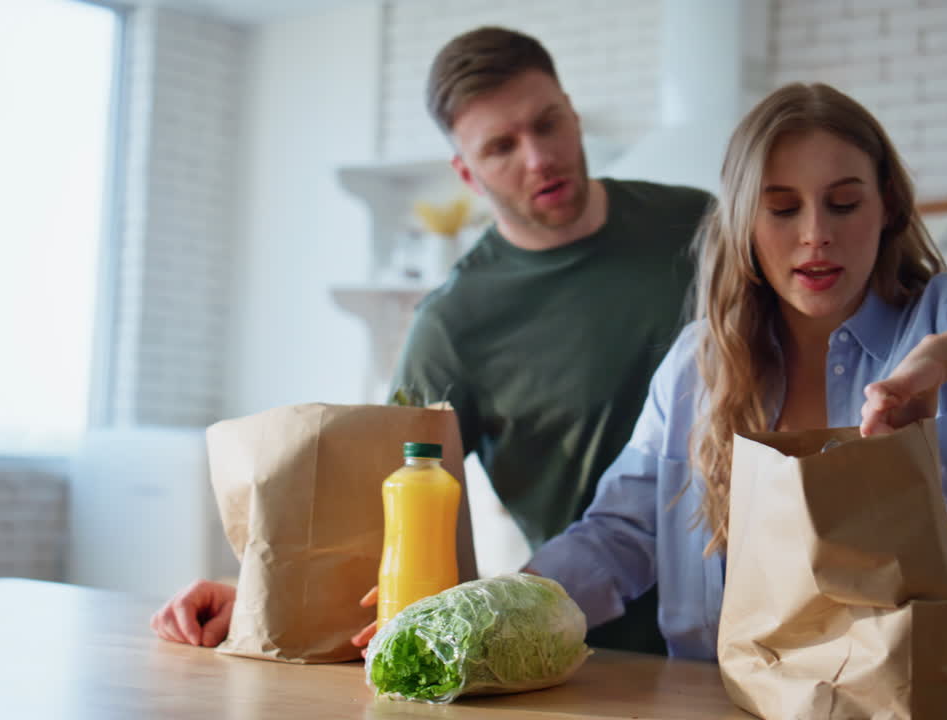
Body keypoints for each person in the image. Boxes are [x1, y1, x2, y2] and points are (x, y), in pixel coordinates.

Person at [512, 82, 947, 695]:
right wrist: (501, 603)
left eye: (844, 203)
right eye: (782, 208)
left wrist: (943, 356)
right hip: (733, 703)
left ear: (887, 210)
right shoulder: (695, 366)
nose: (816, 232)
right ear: (742, 223)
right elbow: (619, 537)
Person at [151, 27, 711, 654]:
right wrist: (257, 595)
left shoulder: (699, 225)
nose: (537, 157)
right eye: (501, 147)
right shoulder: (454, 326)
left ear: (572, 114)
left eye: (547, 123)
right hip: (587, 645)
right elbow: (385, 519)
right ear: (466, 173)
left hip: (758, 625)